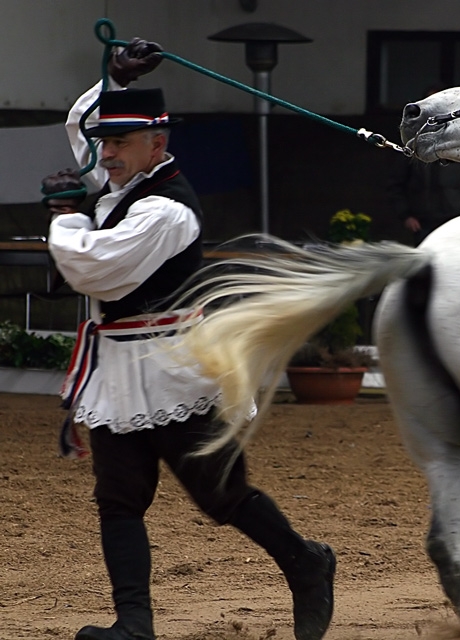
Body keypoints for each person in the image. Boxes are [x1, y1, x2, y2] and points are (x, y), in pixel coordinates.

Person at [41, 38, 335, 640]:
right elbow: (82, 127)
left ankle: (308, 565)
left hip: (175, 368)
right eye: (107, 144)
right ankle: (134, 626)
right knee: (119, 501)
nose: (106, 155)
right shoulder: (123, 183)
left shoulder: (167, 212)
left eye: (120, 144)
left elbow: (94, 264)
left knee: (221, 496)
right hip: (120, 372)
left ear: (159, 144)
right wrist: (116, 80)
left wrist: (65, 218)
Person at [386, 86, 460, 246]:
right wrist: (406, 215)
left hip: (458, 224)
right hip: (423, 224)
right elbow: (395, 184)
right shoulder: (413, 144)